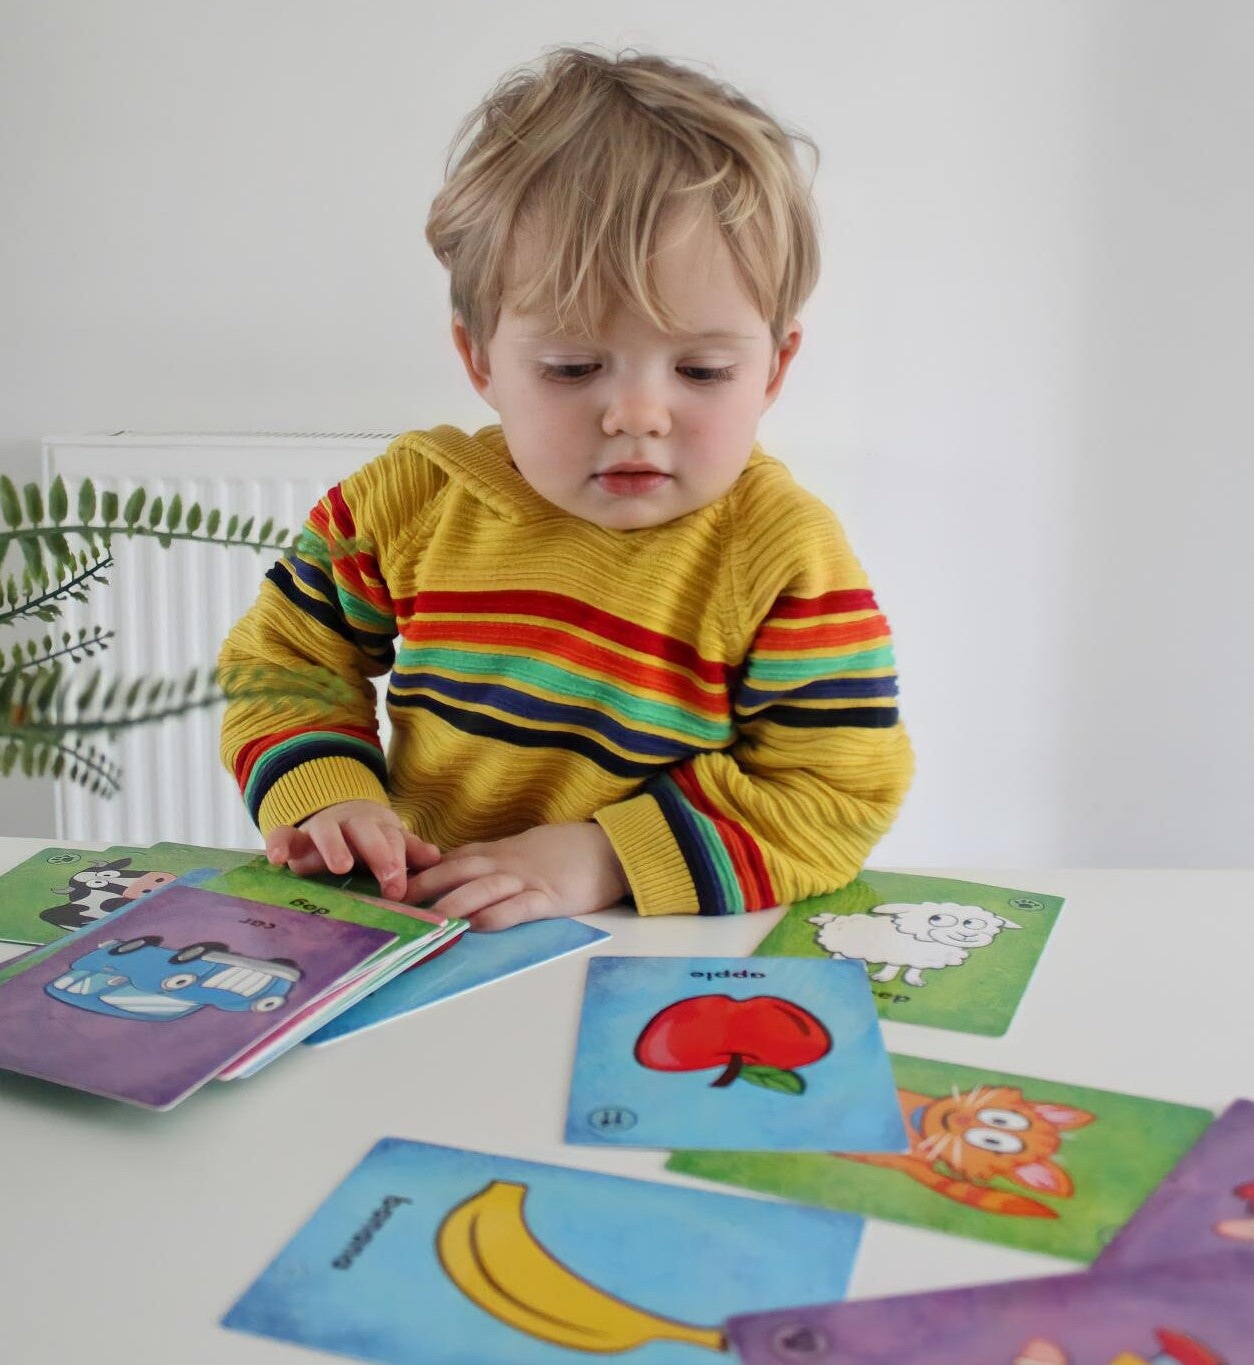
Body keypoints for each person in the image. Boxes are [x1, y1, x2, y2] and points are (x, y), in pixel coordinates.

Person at [219, 46, 913, 930]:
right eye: (572, 365)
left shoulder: (782, 554)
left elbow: (833, 790)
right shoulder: (404, 500)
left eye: (700, 370)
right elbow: (286, 658)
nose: (636, 413)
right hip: (416, 920)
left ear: (773, 369)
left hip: (646, 938)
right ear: (480, 359)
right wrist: (329, 796)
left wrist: (605, 855)